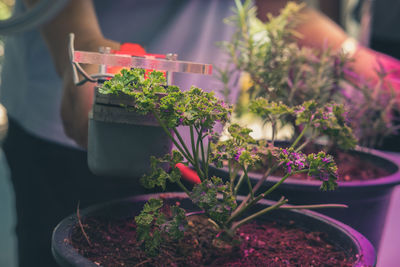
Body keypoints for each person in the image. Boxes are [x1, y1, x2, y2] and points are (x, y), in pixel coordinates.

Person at [1, 0, 400, 266]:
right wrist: (82, 46)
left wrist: (350, 56)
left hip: (197, 129)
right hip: (73, 122)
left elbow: (274, 5)